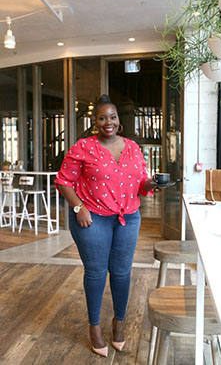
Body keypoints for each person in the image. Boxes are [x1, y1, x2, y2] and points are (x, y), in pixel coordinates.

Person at [55, 94, 157, 358]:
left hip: (128, 217)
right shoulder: (83, 147)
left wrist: (152, 184)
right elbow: (64, 181)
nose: (108, 122)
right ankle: (95, 328)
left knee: (122, 272)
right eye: (102, 117)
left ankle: (119, 323)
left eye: (112, 117)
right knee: (97, 273)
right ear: (95, 121)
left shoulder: (133, 148)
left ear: (118, 120)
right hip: (93, 217)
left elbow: (140, 182)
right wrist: (79, 208)